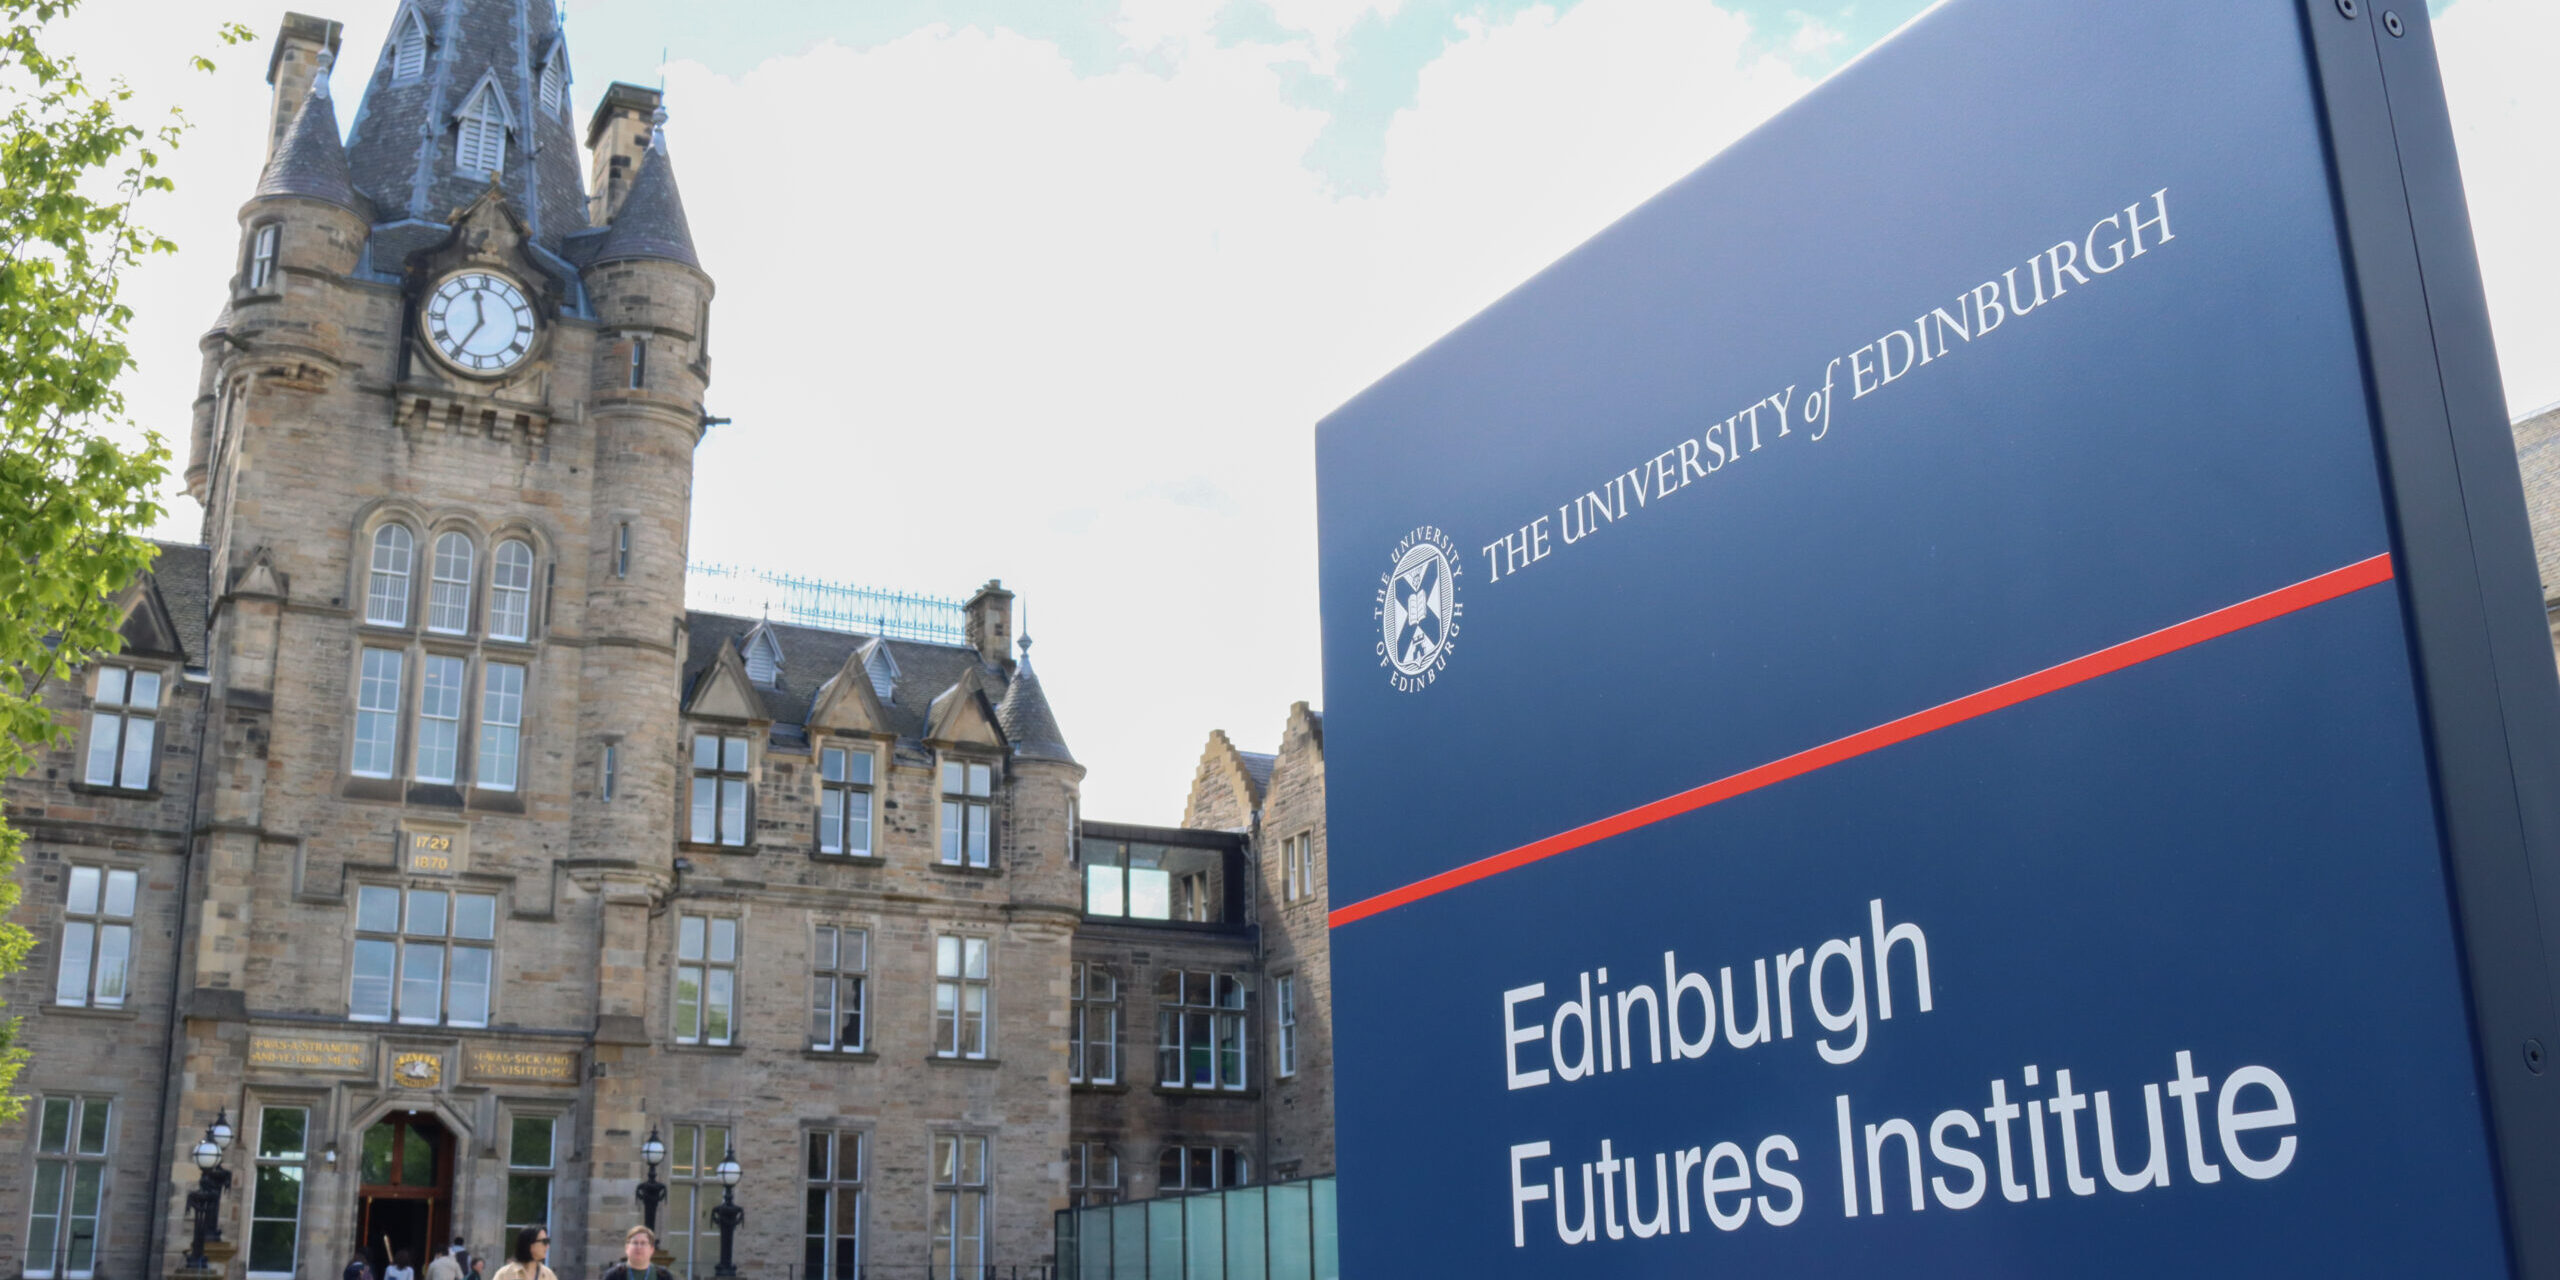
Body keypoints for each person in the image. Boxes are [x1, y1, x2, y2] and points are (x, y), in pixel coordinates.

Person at [600, 1226, 672, 1280]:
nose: (639, 1247)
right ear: (627, 1248)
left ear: (651, 1249)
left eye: (643, 1243)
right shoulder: (613, 1275)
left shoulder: (664, 1276)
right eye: (635, 1243)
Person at [489, 1227, 556, 1280]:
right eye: (544, 1241)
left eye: (548, 1241)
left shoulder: (548, 1275)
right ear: (530, 1244)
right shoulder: (505, 1274)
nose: (547, 1246)